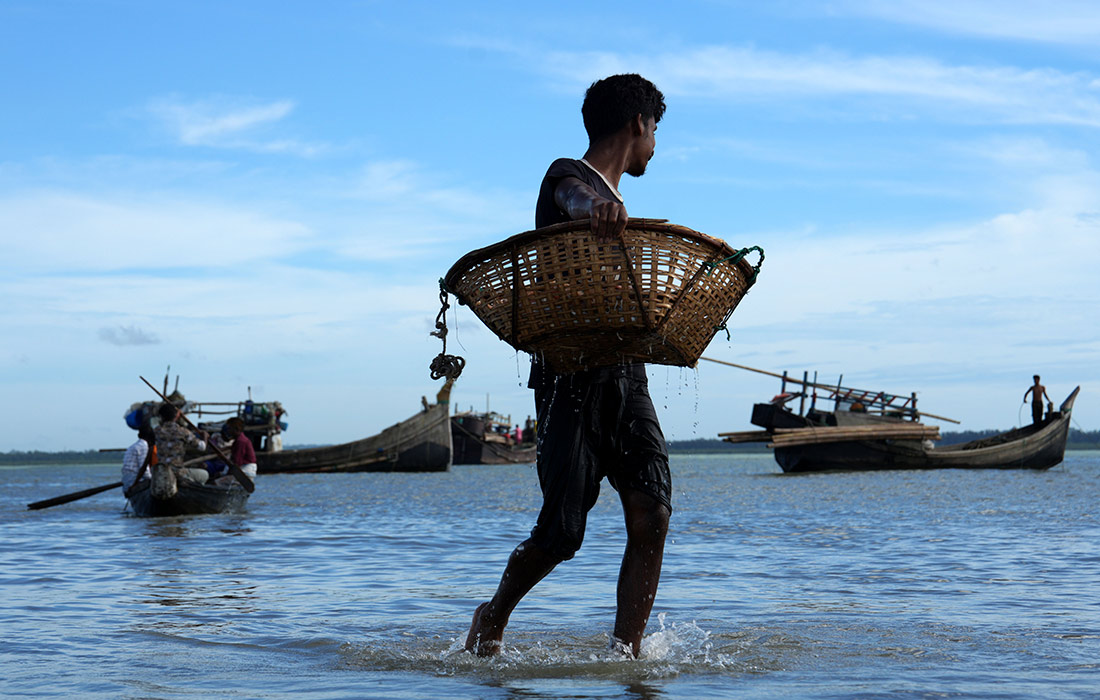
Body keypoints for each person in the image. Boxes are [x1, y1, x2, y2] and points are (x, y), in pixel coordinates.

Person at [466, 74, 670, 659]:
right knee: (562, 533)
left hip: (627, 377)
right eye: (655, 130)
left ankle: (625, 656)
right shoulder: (569, 178)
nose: (654, 144)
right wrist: (599, 207)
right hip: (569, 379)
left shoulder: (621, 210)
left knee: (652, 510)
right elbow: (573, 202)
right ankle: (492, 614)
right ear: (638, 124)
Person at [152, 402, 209, 497]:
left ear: (161, 417)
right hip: (178, 472)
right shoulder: (183, 432)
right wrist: (205, 436)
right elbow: (202, 447)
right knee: (205, 474)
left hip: (161, 472)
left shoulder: (157, 431)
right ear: (177, 416)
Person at [207, 417, 259, 485]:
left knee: (214, 483)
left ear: (236, 429)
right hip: (243, 471)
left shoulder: (241, 442)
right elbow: (232, 449)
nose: (228, 431)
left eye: (230, 428)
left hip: (244, 472)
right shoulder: (239, 440)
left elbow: (237, 463)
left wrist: (226, 475)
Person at [121, 422, 157, 492]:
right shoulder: (143, 446)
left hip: (128, 480)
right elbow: (144, 471)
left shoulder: (136, 445)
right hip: (132, 481)